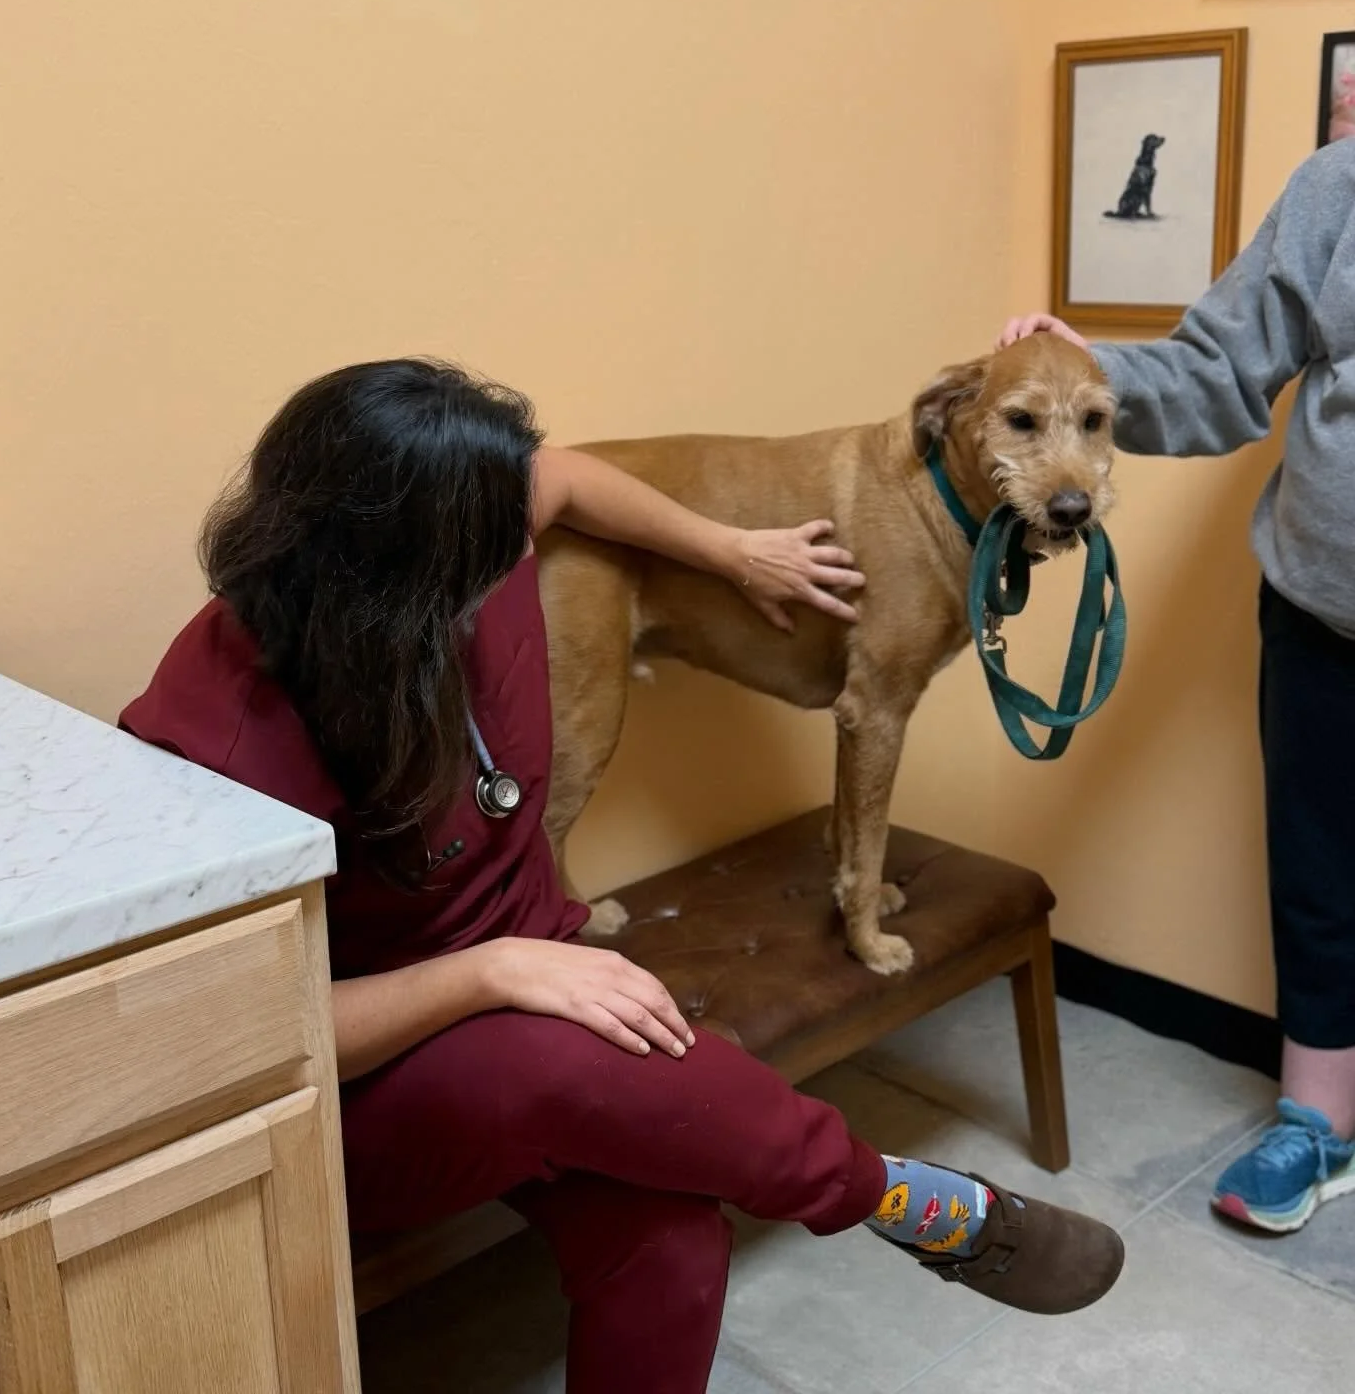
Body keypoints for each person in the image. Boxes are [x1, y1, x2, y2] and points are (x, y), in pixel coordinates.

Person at [121, 359, 1123, 1391]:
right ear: (383, 575)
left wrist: (736, 552)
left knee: (674, 1243)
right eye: (490, 550)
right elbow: (245, 1032)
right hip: (377, 1075)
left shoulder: (477, 529)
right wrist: (489, 974)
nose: (522, 558)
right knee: (573, 1068)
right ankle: (904, 1201)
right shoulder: (219, 739)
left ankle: (897, 1198)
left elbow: (566, 481)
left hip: (532, 977)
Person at [1001, 133, 1355, 1237]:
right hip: (1323, 613)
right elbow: (1216, 370)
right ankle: (1318, 1124)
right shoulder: (1338, 187)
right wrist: (1083, 369)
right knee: (1320, 875)